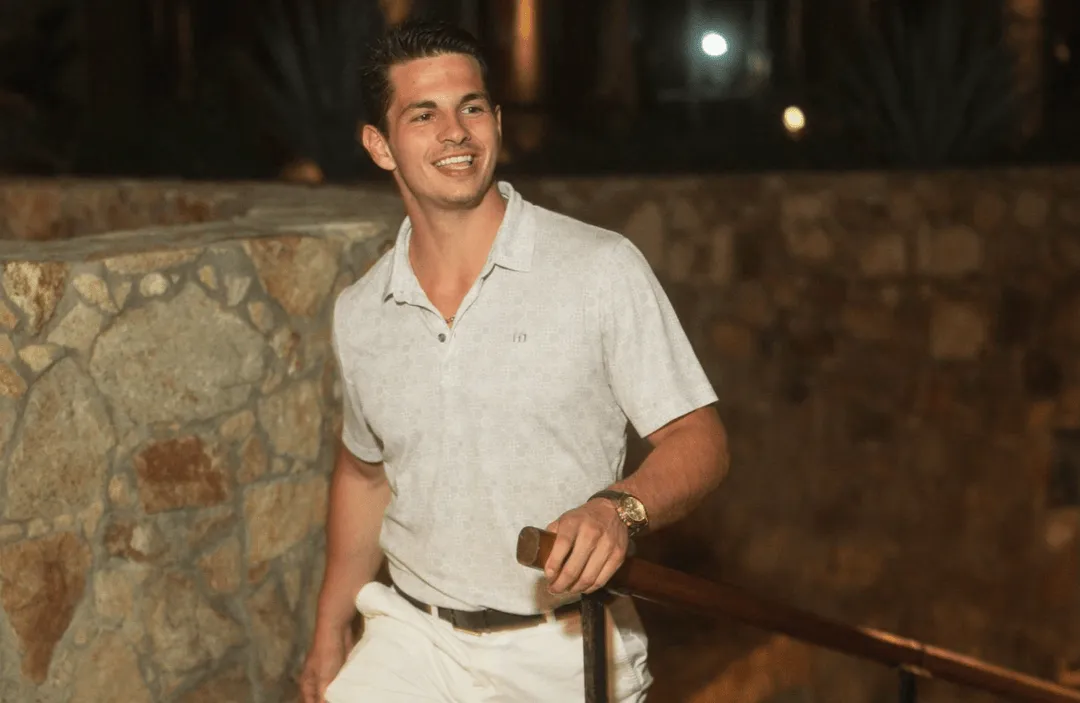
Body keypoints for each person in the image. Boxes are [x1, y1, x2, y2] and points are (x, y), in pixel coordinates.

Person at [300, 19, 730, 703]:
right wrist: (330, 626)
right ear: (380, 145)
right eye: (424, 114)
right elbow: (364, 471)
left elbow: (698, 438)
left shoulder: (598, 267)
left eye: (471, 108)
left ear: (497, 122)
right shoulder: (362, 310)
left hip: (563, 647)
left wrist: (618, 509)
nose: (456, 132)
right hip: (414, 639)